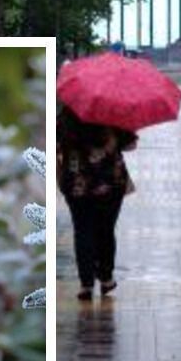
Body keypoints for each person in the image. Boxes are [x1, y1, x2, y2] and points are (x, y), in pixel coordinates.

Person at [59, 110, 135, 299]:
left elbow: (57, 147)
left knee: (82, 231)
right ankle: (106, 277)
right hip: (110, 183)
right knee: (106, 229)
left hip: (77, 184)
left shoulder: (67, 117)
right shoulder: (113, 114)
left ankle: (86, 284)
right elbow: (130, 144)